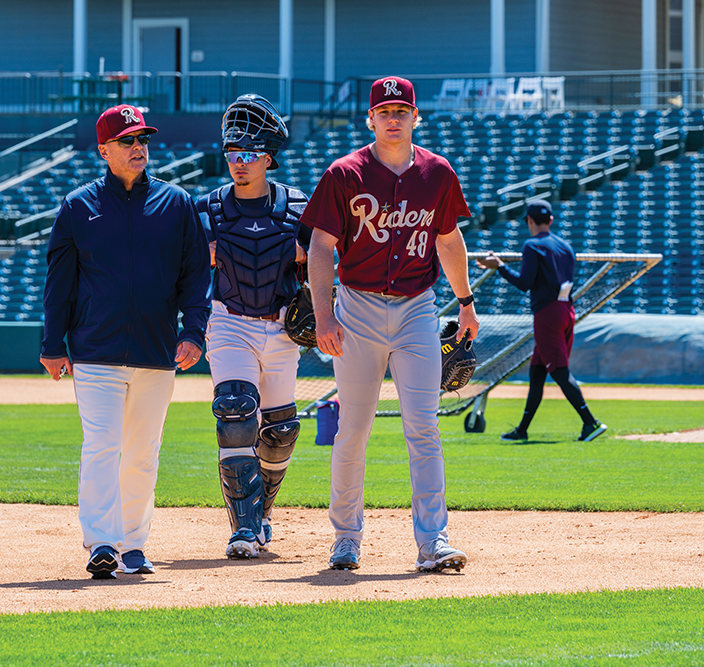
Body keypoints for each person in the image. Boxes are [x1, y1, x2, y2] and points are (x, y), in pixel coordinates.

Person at [302, 76, 479, 572]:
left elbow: (448, 240)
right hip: (356, 307)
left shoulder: (437, 173)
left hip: (418, 307)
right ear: (371, 119)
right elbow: (320, 245)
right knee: (353, 430)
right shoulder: (345, 173)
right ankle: (346, 538)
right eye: (386, 111)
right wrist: (323, 314)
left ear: (416, 117)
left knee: (423, 426)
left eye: (403, 110)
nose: (394, 118)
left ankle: (433, 541)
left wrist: (465, 301)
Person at [40, 104, 210, 580]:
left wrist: (194, 330)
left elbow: (196, 276)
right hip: (96, 351)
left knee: (142, 451)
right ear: (104, 150)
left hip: (157, 352)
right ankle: (101, 542)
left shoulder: (176, 204)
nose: (139, 147)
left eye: (143, 140)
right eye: (128, 141)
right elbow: (60, 283)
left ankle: (133, 544)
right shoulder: (78, 206)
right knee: (101, 444)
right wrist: (53, 345)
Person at [195, 95, 310, 560]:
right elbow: (188, 270)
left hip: (282, 327)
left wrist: (320, 304)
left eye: (247, 155)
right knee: (236, 410)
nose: (238, 164)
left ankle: (261, 512)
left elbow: (322, 266)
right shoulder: (208, 209)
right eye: (231, 155)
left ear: (267, 158)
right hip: (230, 322)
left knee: (281, 432)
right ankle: (242, 529)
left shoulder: (299, 206)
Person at [477, 200, 607, 444]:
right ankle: (522, 429)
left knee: (559, 371)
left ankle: (591, 422)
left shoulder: (532, 245)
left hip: (547, 313)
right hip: (567, 310)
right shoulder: (566, 246)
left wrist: (500, 267)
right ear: (551, 220)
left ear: (529, 221)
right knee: (537, 372)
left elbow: (525, 283)